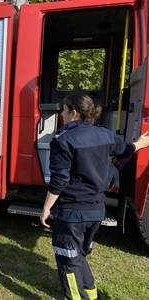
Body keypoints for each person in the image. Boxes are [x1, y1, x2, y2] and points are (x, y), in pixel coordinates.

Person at [40, 94, 149, 300]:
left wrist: (46, 208)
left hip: (72, 212)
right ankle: (91, 295)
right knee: (78, 255)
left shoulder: (63, 140)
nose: (61, 114)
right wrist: (140, 143)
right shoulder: (105, 134)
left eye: (63, 110)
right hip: (96, 211)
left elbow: (59, 181)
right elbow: (125, 149)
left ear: (73, 112)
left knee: (68, 260)